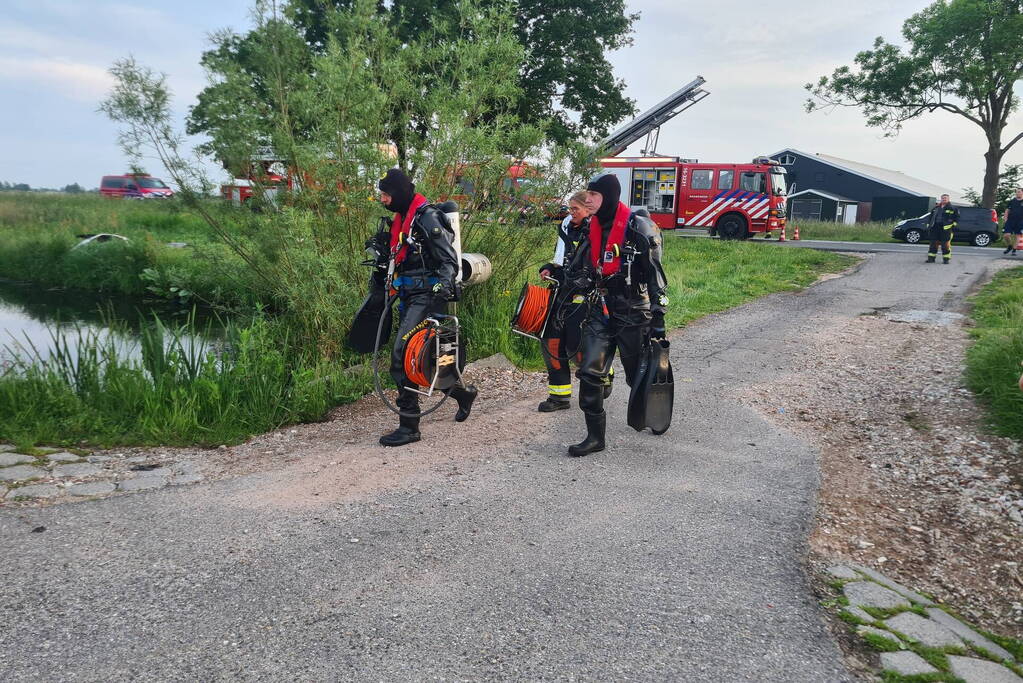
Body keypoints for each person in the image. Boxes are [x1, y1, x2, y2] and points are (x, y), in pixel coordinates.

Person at [561, 173, 668, 456]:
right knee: (589, 372)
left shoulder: (638, 228)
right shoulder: (590, 227)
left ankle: (653, 411)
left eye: (593, 196)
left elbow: (656, 277)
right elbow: (581, 267)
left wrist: (659, 316)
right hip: (601, 310)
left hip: (633, 312)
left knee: (637, 376)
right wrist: (563, 275)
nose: (588, 201)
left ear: (608, 196)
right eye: (587, 196)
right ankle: (595, 438)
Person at [374, 168, 477, 447]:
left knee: (403, 354)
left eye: (385, 194)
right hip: (409, 293)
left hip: (427, 295)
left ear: (397, 194)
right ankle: (462, 392)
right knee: (427, 356)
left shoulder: (427, 217)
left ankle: (409, 426)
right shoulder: (402, 219)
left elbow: (448, 261)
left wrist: (441, 287)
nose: (382, 199)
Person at [536, 191, 602, 412]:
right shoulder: (566, 227)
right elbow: (561, 260)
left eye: (575, 209)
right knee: (551, 340)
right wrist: (549, 268)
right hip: (562, 289)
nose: (570, 213)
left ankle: (601, 374)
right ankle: (559, 396)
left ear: (588, 209)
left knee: (576, 342)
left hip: (585, 293)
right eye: (570, 208)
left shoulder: (597, 230)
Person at [925, 193, 959, 264]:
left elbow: (957, 218)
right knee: (933, 243)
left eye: (945, 198)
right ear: (941, 199)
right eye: (943, 198)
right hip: (935, 228)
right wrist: (929, 225)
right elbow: (930, 217)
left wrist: (953, 225)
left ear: (948, 199)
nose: (944, 199)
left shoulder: (953, 208)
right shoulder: (936, 208)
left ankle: (946, 259)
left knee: (945, 244)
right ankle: (931, 258)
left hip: (946, 229)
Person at [1003, 188, 1023, 255]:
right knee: (1006, 235)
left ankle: (1014, 250)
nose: (1018, 193)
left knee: (1017, 236)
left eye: (1019, 192)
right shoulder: (1012, 201)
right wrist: (1005, 219)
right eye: (1017, 192)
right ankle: (1009, 246)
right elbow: (1007, 211)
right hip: (1010, 220)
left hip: (1020, 221)